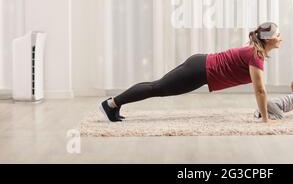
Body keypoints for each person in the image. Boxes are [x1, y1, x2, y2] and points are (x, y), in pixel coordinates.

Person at [99, 22, 282, 123]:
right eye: (278, 35)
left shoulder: (255, 52)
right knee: (157, 88)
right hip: (200, 71)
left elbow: (259, 89)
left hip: (200, 65)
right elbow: (260, 90)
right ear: (268, 40)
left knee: (157, 86)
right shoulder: (255, 55)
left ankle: (115, 105)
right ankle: (111, 104)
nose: (280, 38)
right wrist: (266, 120)